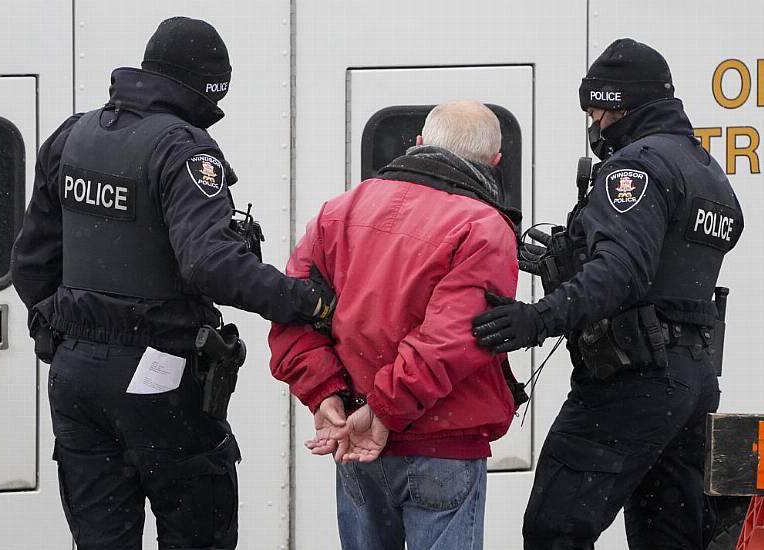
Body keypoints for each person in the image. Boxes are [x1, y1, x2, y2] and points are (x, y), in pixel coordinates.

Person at [10, 16, 334, 550]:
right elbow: (211, 266)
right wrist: (311, 302)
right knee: (198, 532)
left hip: (73, 378)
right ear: (202, 89)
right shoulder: (184, 150)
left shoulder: (72, 135)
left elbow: (29, 263)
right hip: (159, 374)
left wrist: (75, 328)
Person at [472, 39, 744, 550]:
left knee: (556, 528)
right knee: (671, 536)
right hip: (692, 380)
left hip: (630, 378)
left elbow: (623, 272)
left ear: (620, 104)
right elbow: (670, 266)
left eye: (597, 109)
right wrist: (573, 256)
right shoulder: (704, 169)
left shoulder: (634, 169)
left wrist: (536, 319)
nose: (595, 123)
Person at [268, 100, 522, 550]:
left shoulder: (338, 211)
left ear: (419, 143)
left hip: (354, 437)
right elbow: (449, 341)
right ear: (496, 163)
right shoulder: (484, 227)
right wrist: (384, 410)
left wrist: (325, 391)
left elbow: (294, 309)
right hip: (441, 443)